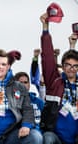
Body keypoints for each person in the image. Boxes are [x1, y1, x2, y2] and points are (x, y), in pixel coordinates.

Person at [40, 12, 78, 144]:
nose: (71, 68)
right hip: (55, 137)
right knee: (47, 139)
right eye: (67, 65)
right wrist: (45, 28)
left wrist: (72, 46)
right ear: (62, 66)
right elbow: (48, 58)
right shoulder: (55, 82)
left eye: (75, 66)